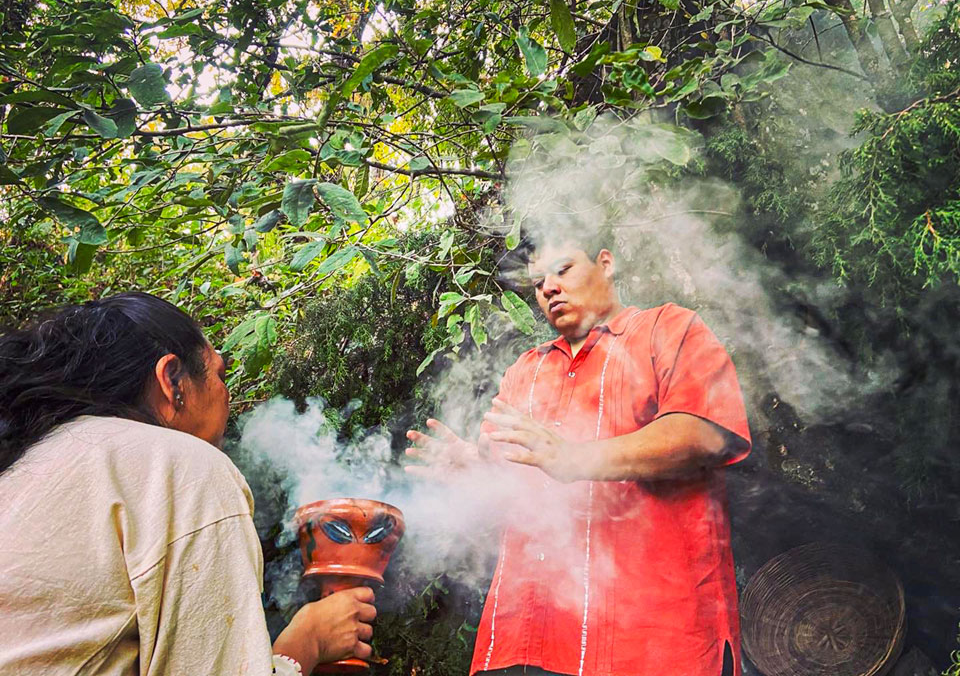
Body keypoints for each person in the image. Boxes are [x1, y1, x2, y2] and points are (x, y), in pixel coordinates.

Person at [407, 234, 751, 676]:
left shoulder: (668, 329)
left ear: (605, 263)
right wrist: (473, 472)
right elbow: (508, 492)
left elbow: (703, 433)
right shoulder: (523, 371)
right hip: (526, 637)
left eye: (563, 269)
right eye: (537, 282)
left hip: (652, 639)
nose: (548, 287)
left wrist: (575, 458)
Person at [0, 293, 376, 676]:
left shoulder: (30, 463)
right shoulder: (182, 465)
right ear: (172, 380)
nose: (227, 394)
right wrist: (306, 644)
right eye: (219, 375)